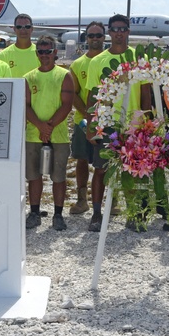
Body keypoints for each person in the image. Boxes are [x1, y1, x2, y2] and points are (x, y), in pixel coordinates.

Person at [83, 15, 153, 231]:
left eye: (123, 29)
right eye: (115, 29)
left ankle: (133, 214)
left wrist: (146, 122)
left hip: (133, 123)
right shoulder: (97, 62)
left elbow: (145, 92)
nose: (119, 32)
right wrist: (91, 126)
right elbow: (91, 96)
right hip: (108, 123)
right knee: (100, 169)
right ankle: (96, 213)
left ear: (128, 31)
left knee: (132, 170)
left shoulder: (138, 58)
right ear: (109, 33)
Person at [23, 35, 74, 232]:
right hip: (32, 135)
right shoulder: (28, 77)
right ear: (37, 53)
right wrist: (40, 126)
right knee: (33, 176)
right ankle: (34, 212)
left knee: (58, 176)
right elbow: (26, 105)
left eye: (48, 51)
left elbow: (67, 105)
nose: (45, 55)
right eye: (41, 51)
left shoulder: (64, 75)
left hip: (59, 135)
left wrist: (49, 127)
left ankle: (58, 214)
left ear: (55, 52)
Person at [66, 21, 105, 214]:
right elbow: (74, 93)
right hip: (83, 121)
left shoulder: (111, 61)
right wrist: (88, 116)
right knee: (81, 160)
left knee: (105, 162)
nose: (95, 39)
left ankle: (110, 202)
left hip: (108, 122)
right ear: (86, 38)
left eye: (98, 35)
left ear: (104, 37)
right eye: (91, 36)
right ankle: (82, 200)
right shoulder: (77, 64)